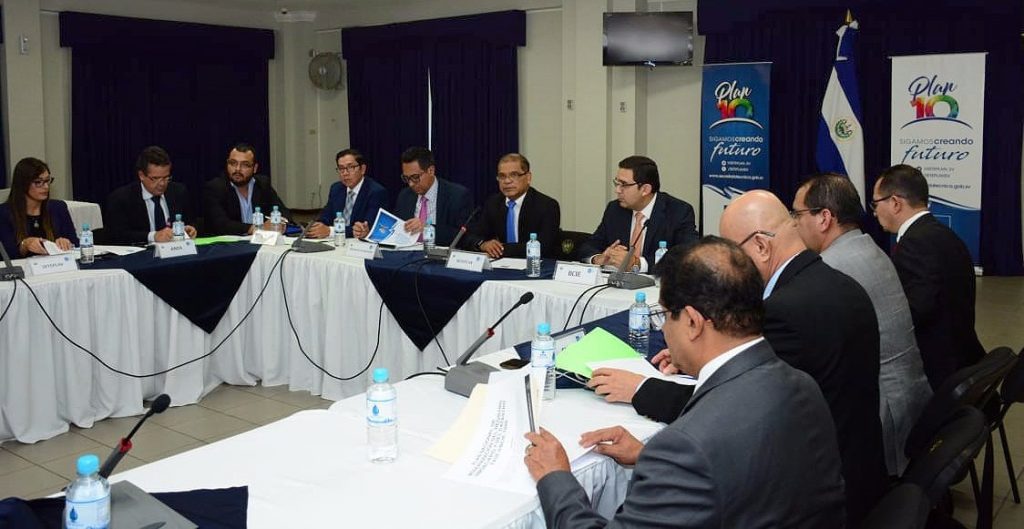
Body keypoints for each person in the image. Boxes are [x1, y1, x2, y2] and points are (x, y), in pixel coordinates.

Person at [589, 190, 887, 524]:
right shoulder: (836, 283)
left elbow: (734, 406)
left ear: (761, 246)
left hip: (809, 492)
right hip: (844, 474)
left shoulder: (785, 310)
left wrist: (641, 389)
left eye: (731, 252)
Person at [525, 237, 846, 528]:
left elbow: (707, 455)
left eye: (665, 315)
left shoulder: (684, 448)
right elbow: (748, 474)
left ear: (693, 322)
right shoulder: (802, 386)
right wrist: (647, 457)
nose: (664, 329)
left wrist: (556, 478)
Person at [793, 173, 932, 476]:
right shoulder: (867, 247)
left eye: (798, 215)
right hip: (912, 399)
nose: (794, 224)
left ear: (824, 218)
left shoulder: (833, 267)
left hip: (886, 415)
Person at [872, 164, 985, 390]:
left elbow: (916, 311)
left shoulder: (914, 244)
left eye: (875, 204)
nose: (874, 212)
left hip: (938, 374)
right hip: (965, 360)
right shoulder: (944, 235)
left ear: (895, 203)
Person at [578, 155, 698, 272]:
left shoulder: (678, 212)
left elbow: (688, 257)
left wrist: (638, 263)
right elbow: (589, 246)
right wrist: (599, 258)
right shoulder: (615, 209)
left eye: (624, 185)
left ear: (645, 189)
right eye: (617, 183)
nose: (617, 190)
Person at [462, 153, 561, 258]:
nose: (507, 181)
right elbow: (471, 236)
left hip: (534, 265)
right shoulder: (493, 203)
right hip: (500, 265)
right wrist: (483, 244)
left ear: (528, 177)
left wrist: (500, 249)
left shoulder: (547, 206)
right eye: (502, 176)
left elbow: (543, 246)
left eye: (514, 175)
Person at [104, 146, 197, 245]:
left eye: (166, 177)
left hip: (175, 250)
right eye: (155, 178)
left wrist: (188, 230)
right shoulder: (121, 198)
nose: (162, 184)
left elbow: (189, 221)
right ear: (141, 175)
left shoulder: (179, 192)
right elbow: (118, 235)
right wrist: (153, 236)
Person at [203, 143, 291, 235]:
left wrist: (280, 223)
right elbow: (220, 225)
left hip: (260, 240)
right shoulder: (215, 188)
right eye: (233, 163)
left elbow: (283, 211)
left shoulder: (262, 184)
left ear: (255, 168)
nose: (237, 169)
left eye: (245, 165)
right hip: (229, 242)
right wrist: (256, 228)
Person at [393, 147, 473, 246]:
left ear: (431, 171)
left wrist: (427, 228)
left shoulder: (457, 195)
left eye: (415, 177)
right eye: (406, 178)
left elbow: (463, 236)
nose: (411, 184)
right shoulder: (404, 196)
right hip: (408, 252)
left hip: (440, 253)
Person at [0, 157, 78, 257]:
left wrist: (66, 243)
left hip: (55, 264)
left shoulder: (58, 208)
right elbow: (5, 255)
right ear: (23, 184)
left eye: (47, 181)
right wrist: (24, 245)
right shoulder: (4, 213)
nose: (46, 187)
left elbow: (76, 243)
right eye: (38, 182)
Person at [307, 148, 388, 240]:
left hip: (359, 243)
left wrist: (330, 231)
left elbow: (368, 227)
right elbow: (327, 216)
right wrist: (317, 226)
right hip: (336, 241)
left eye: (350, 167)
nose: (345, 173)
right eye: (341, 169)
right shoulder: (336, 189)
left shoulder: (376, 192)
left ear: (362, 169)